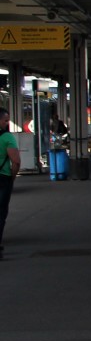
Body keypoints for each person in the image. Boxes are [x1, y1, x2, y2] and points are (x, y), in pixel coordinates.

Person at [0, 108, 21, 258]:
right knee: (0, 213)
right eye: (6, 120)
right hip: (2, 178)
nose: (7, 123)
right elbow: (16, 161)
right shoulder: (7, 137)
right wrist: (12, 177)